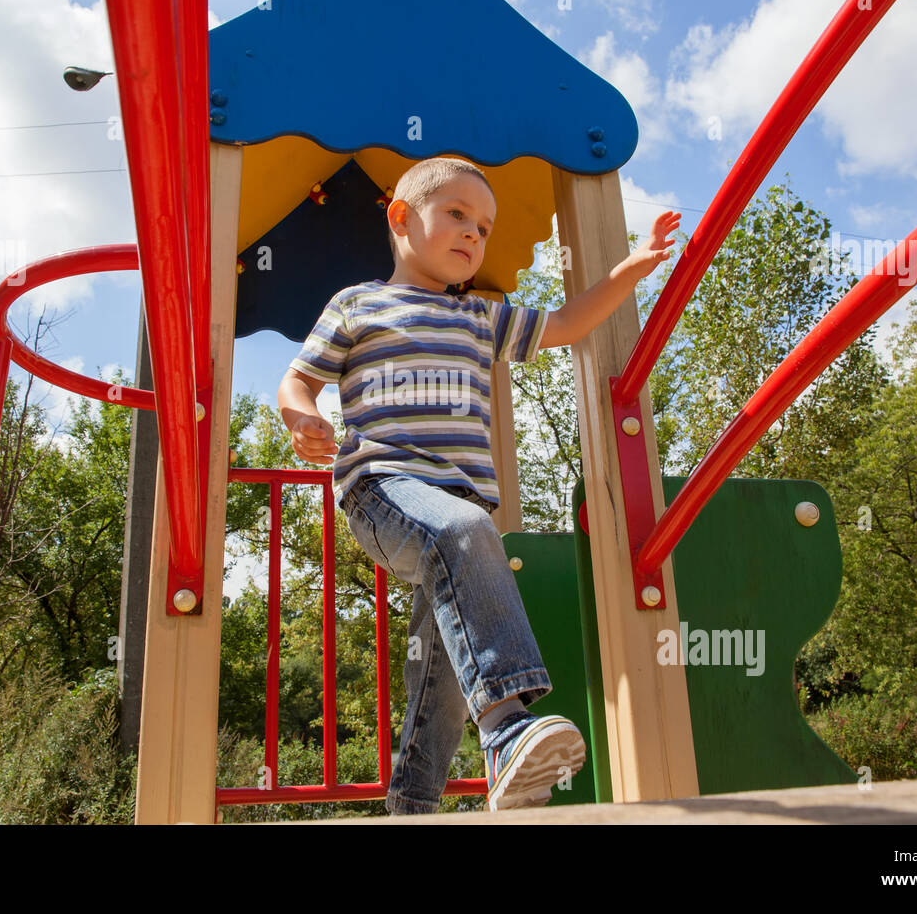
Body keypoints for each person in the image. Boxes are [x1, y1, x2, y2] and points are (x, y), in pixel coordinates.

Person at [277, 156, 679, 814]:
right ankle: (507, 728)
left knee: (437, 675)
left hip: (456, 509)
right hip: (384, 489)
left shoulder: (479, 318)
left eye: (485, 227)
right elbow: (299, 379)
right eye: (457, 215)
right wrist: (302, 416)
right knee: (467, 531)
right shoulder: (359, 306)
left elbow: (568, 324)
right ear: (402, 219)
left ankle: (413, 804)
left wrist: (632, 268)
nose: (473, 234)